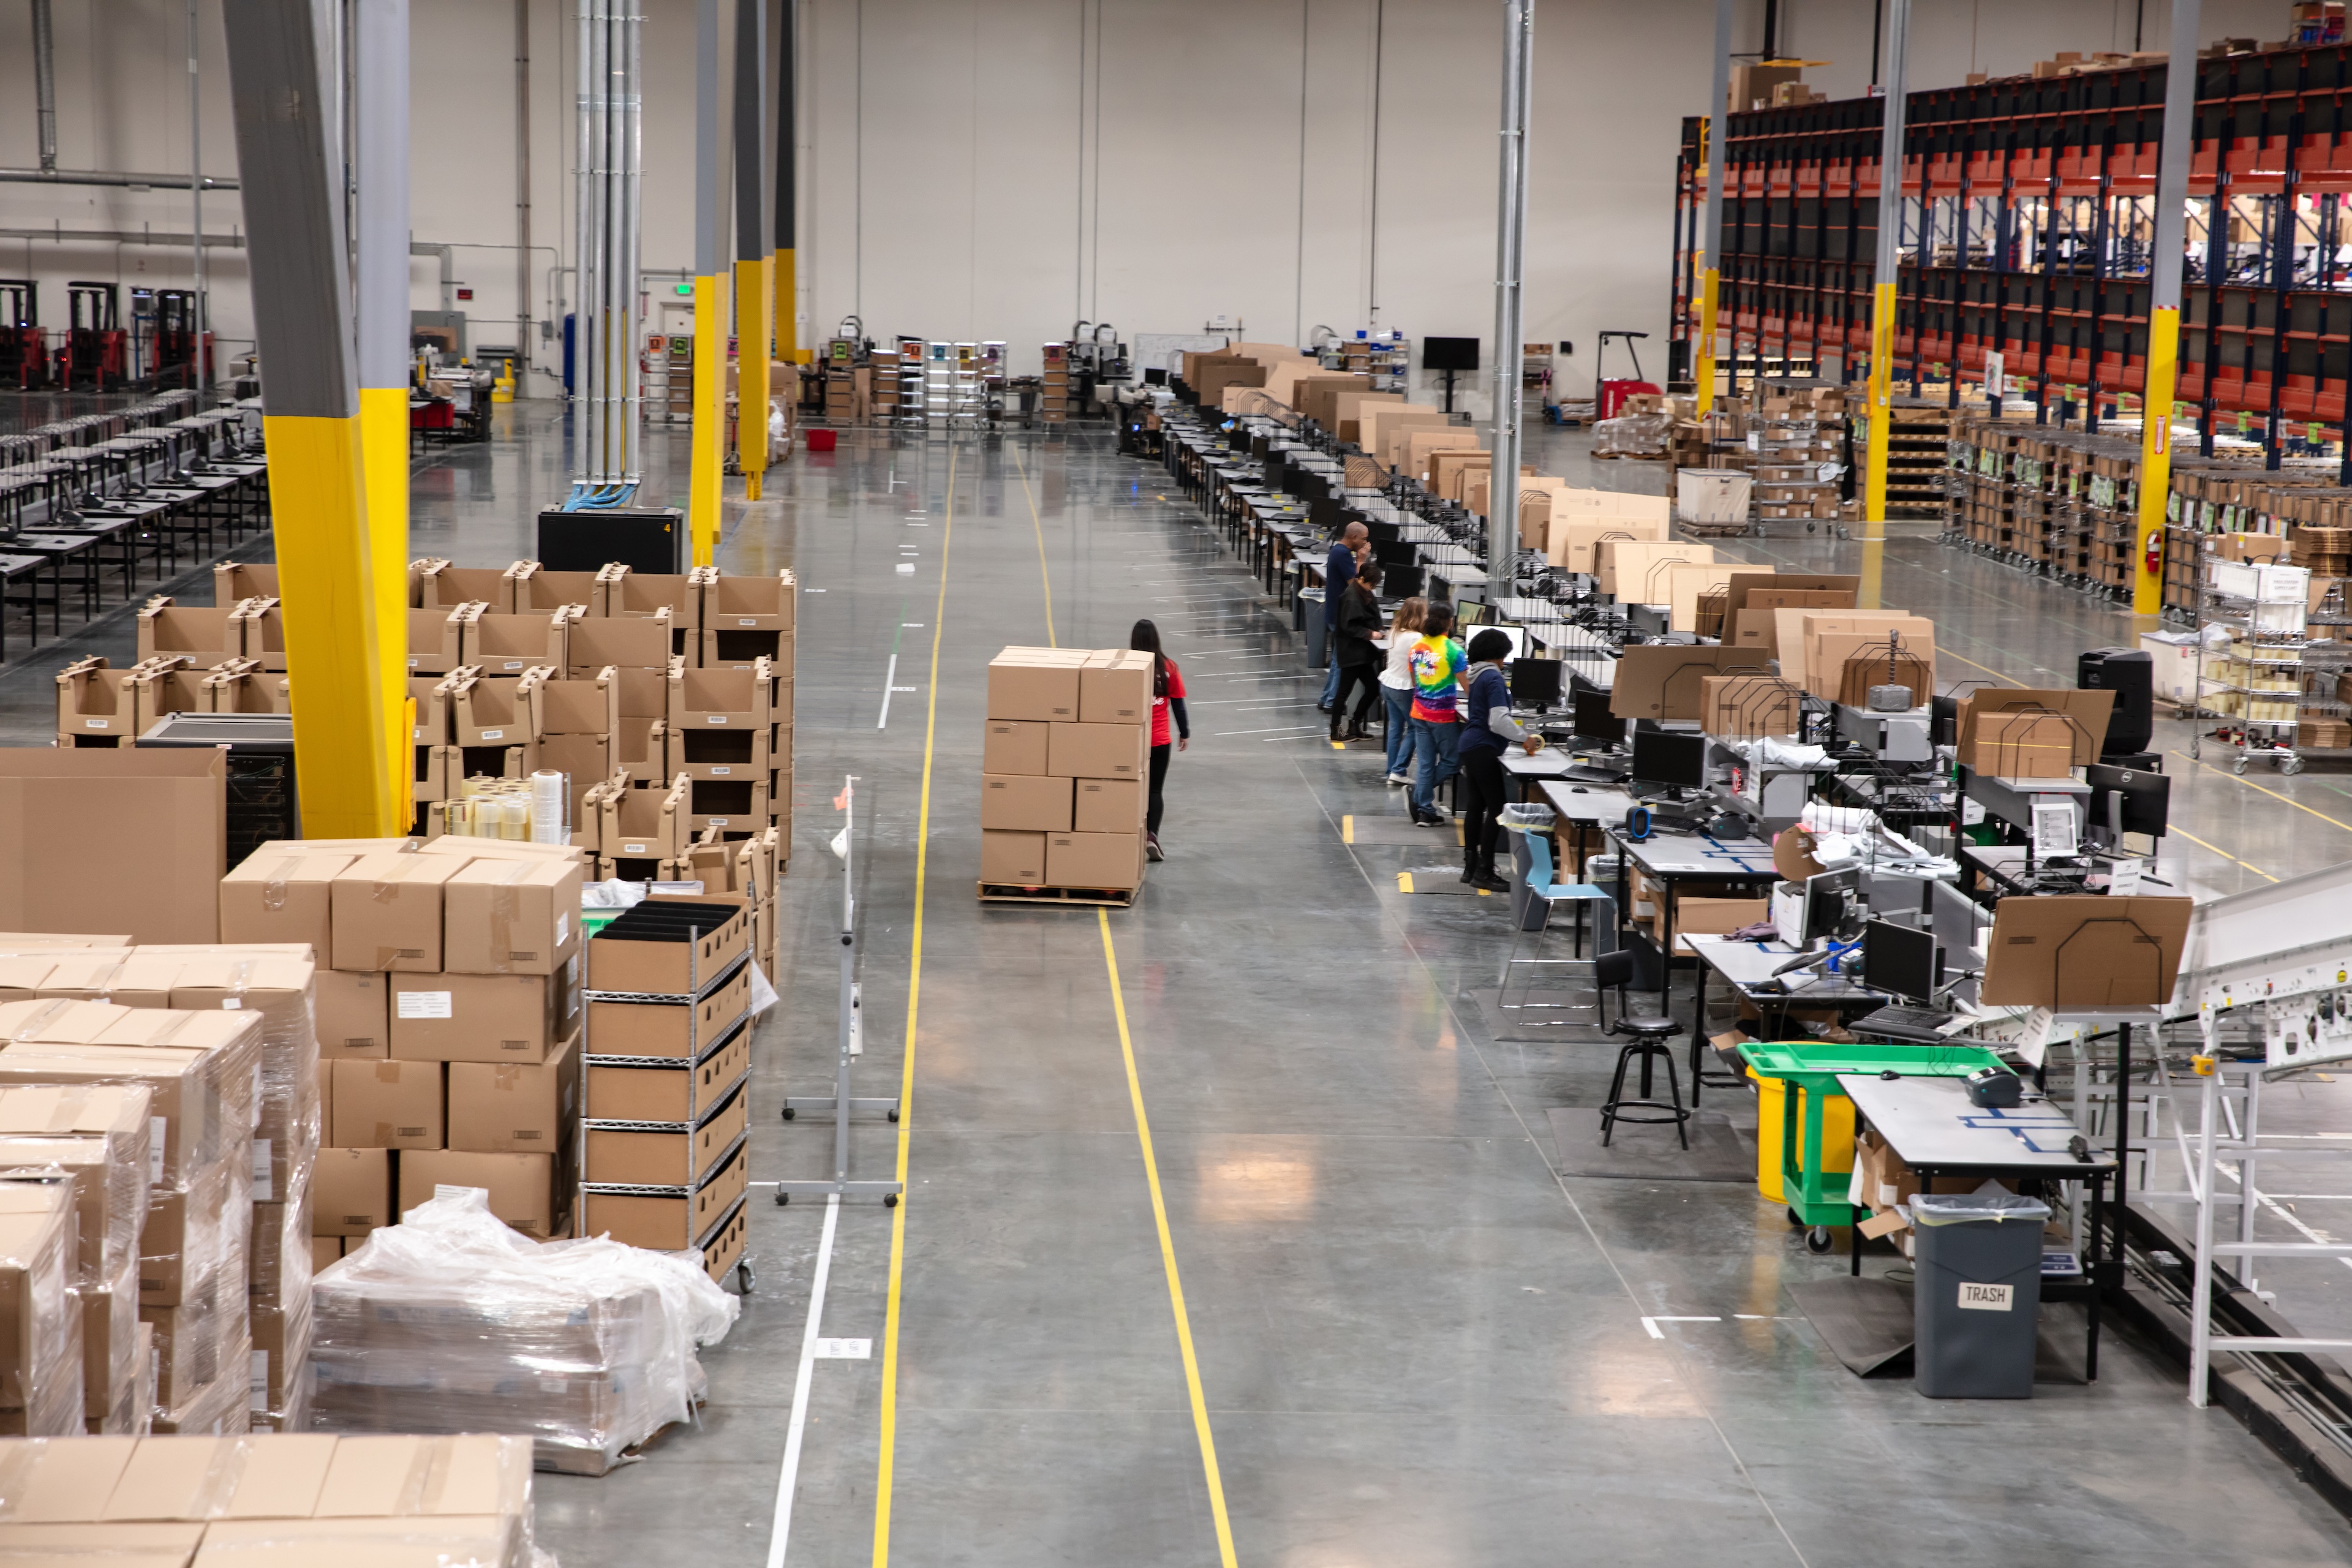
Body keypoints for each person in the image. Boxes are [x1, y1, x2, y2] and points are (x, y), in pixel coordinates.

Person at [1457, 628, 1538, 891]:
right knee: (1497, 809)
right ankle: (1485, 871)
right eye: (1503, 656)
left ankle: (1471, 868)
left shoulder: (1477, 674)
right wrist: (1524, 737)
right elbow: (1499, 720)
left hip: (1471, 744)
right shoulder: (1493, 678)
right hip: (1483, 747)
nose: (1505, 662)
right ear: (1496, 655)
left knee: (1475, 806)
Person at [1405, 602, 1467, 827]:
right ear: (1450, 622)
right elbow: (1468, 686)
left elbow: (1416, 684)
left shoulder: (1416, 647)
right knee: (1453, 760)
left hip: (1419, 713)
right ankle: (1419, 798)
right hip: (1442, 716)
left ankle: (1425, 811)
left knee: (1425, 764)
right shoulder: (1454, 650)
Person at [1131, 619, 1188, 862]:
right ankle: (1152, 835)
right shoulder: (1170, 667)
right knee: (1155, 789)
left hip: (1134, 739)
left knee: (1133, 787)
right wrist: (1184, 733)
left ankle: (1128, 833)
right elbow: (1178, 704)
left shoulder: (1130, 667)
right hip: (1160, 740)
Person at [1329, 560, 1385, 743]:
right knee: (1344, 692)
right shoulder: (1351, 597)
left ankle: (1355, 723)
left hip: (1362, 653)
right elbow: (1349, 626)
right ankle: (1336, 730)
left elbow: (1374, 615)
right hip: (1352, 652)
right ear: (1361, 579)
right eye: (1371, 584)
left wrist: (1379, 630)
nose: (1372, 588)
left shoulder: (1364, 592)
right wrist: (1371, 634)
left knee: (1373, 688)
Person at [1317, 522, 1367, 712]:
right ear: (1354, 537)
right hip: (1341, 617)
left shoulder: (1338, 551)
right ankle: (1332, 702)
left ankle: (1326, 698)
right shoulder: (1343, 555)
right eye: (1363, 539)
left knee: (1338, 659)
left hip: (1334, 614)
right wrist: (1361, 561)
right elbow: (1355, 586)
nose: (1365, 543)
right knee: (1342, 662)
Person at [1379, 596, 1427, 786]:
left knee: (1395, 728)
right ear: (1418, 616)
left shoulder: (1395, 631)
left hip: (1388, 684)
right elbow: (1417, 668)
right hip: (1404, 688)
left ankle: (1391, 770)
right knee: (1416, 728)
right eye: (1425, 614)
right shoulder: (1416, 638)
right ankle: (1399, 771)